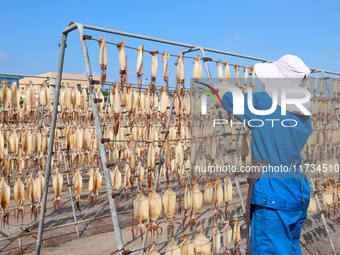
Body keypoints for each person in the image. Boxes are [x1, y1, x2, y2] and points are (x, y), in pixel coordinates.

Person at [218, 55, 312, 254]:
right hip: (298, 185)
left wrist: (225, 86)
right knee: (289, 247)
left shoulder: (263, 103)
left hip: (272, 186)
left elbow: (227, 99)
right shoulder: (304, 113)